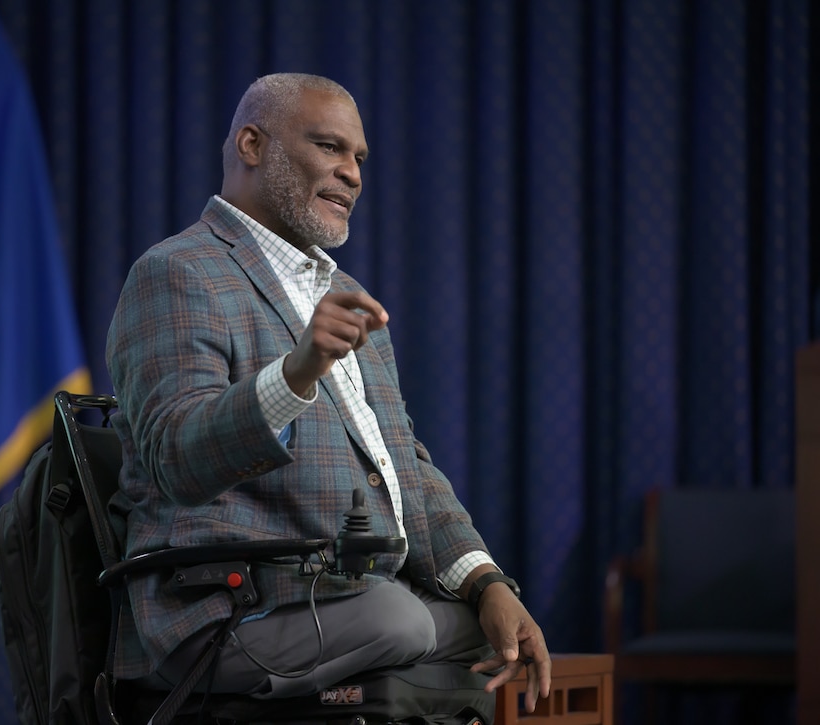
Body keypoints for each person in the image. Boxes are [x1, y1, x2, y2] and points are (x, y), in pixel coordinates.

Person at [105, 72, 551, 713]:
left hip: (354, 598)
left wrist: (486, 584)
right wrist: (296, 372)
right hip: (228, 612)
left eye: (359, 158)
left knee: (490, 633)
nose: (352, 174)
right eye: (329, 148)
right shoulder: (178, 272)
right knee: (402, 621)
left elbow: (405, 467)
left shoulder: (341, 289)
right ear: (253, 145)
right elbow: (176, 457)